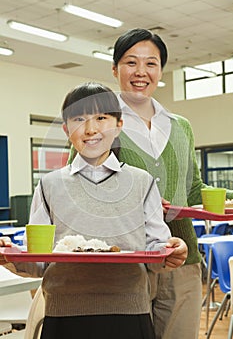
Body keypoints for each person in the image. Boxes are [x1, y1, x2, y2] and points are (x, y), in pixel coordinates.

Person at [67, 28, 233, 339]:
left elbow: (193, 188)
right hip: (125, 262)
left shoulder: (180, 126)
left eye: (151, 63)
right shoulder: (96, 119)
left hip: (181, 258)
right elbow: (72, 188)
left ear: (161, 70)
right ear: (115, 69)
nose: (141, 72)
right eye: (131, 63)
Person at [0, 82, 187, 339]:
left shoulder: (142, 182)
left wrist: (172, 252)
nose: (90, 129)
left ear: (119, 125)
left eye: (101, 117)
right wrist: (10, 256)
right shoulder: (49, 184)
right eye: (79, 119)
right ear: (66, 129)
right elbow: (40, 261)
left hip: (129, 311)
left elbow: (157, 252)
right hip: (63, 313)